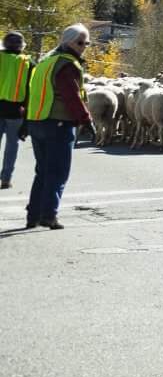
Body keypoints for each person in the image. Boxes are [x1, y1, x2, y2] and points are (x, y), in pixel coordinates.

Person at [21, 24, 94, 230]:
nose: (84, 47)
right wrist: (85, 120)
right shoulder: (67, 65)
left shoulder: (46, 62)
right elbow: (71, 95)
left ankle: (33, 215)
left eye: (86, 43)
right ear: (68, 42)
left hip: (37, 121)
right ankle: (49, 214)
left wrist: (26, 120)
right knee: (58, 172)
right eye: (80, 43)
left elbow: (32, 92)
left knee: (43, 171)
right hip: (58, 123)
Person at [0, 30, 29, 189]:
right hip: (16, 111)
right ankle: (6, 179)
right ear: (22, 46)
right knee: (12, 146)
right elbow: (31, 91)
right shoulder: (27, 63)